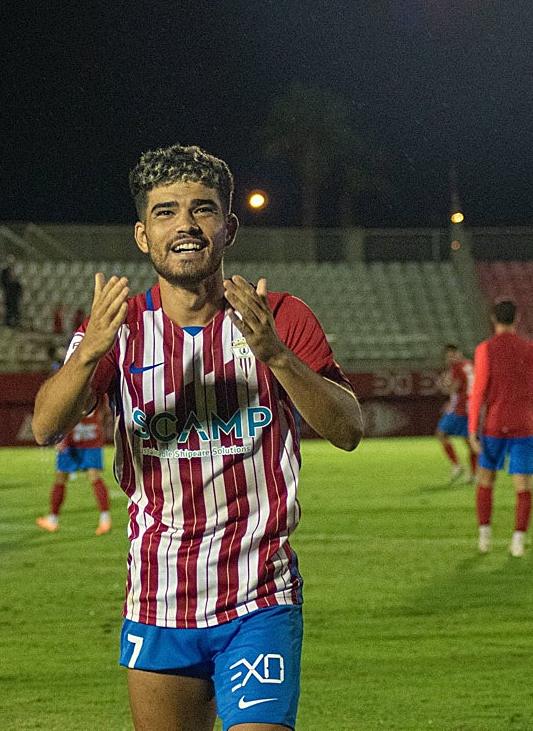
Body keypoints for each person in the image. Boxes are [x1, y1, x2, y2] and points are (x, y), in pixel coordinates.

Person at [31, 145, 362, 731]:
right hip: (158, 598)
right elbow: (44, 426)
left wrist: (276, 356)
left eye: (201, 209)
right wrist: (87, 356)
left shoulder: (280, 316)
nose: (184, 224)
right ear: (143, 235)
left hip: (260, 596)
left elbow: (349, 428)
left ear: (228, 227)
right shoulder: (119, 327)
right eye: (165, 212)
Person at [468, 299, 533, 558]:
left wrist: (472, 429)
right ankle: (517, 541)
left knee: (486, 480)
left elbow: (478, 392)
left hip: (494, 426)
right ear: (517, 319)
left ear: (494, 319)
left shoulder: (485, 349)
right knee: (523, 485)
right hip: (524, 426)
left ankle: (484, 537)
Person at [36, 398, 113, 536]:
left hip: (76, 439)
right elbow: (106, 409)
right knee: (93, 477)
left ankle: (53, 519)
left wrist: (59, 438)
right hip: (89, 437)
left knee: (62, 478)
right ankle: (105, 519)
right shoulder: (97, 391)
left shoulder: (72, 389)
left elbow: (62, 413)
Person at [434, 343, 474, 482]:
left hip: (461, 408)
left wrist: (442, 385)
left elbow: (454, 388)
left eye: (451, 355)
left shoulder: (457, 366)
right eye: (448, 356)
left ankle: (457, 465)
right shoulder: (469, 364)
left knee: (441, 434)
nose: (449, 359)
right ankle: (473, 473)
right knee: (470, 441)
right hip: (470, 406)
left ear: (458, 354)